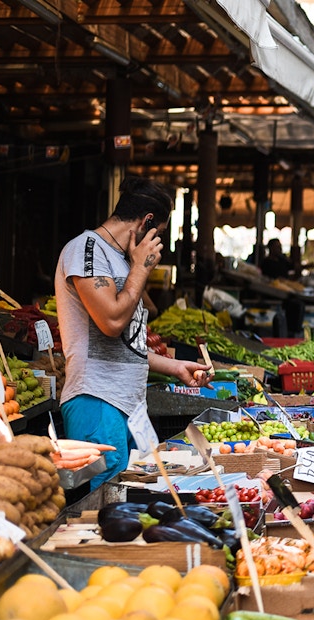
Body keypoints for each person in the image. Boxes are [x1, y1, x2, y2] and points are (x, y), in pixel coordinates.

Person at [55, 177, 212, 491]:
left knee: (127, 502)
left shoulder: (122, 259)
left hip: (130, 405)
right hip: (96, 400)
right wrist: (141, 269)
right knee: (102, 502)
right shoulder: (86, 250)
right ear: (147, 222)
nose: (160, 243)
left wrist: (175, 367)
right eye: (160, 233)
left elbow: (129, 341)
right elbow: (111, 322)